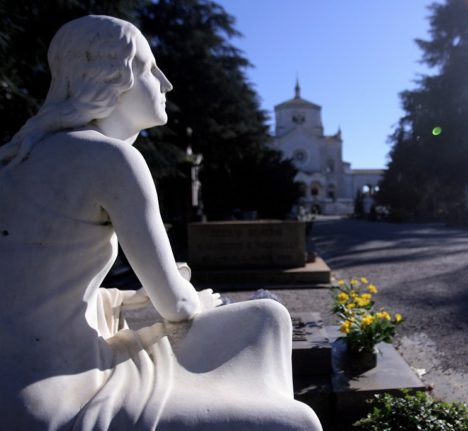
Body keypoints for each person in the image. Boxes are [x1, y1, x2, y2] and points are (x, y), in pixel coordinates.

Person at [0, 15, 321, 430]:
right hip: (63, 387)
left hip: (31, 369)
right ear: (115, 76)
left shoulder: (16, 159)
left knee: (268, 318)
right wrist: (187, 298)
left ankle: (252, 403)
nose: (166, 83)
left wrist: (124, 299)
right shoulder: (111, 159)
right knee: (299, 423)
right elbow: (179, 307)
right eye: (152, 68)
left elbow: (29, 283)